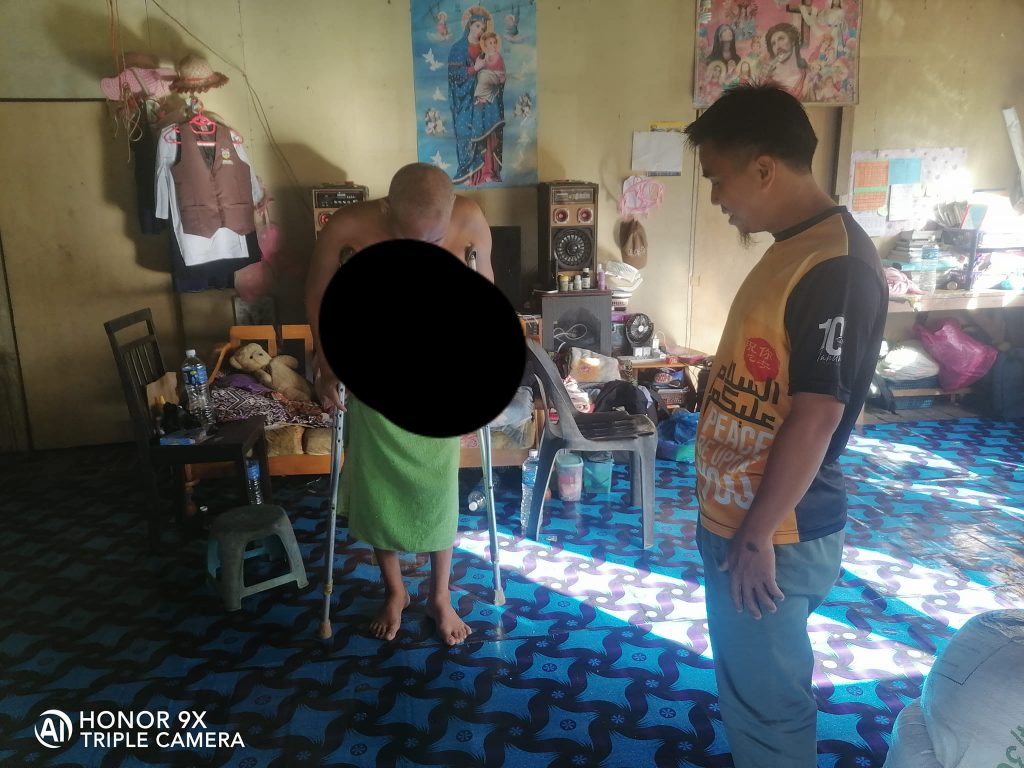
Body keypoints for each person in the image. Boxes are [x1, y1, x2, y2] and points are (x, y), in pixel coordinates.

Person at [683, 86, 887, 767]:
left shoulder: (836, 266)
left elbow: (818, 415)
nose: (717, 198)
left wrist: (756, 535)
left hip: (774, 532)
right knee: (751, 691)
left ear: (764, 168)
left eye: (718, 178)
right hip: (747, 520)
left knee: (769, 710)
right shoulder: (794, 248)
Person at [305, 163, 493, 645]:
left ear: (452, 208)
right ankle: (395, 591)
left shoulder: (470, 218)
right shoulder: (348, 225)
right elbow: (319, 294)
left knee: (438, 487)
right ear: (388, 210)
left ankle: (439, 596)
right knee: (377, 485)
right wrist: (326, 363)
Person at [447, 5, 505, 185]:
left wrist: (496, 79)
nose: (480, 31)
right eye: (478, 26)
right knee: (466, 133)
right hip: (464, 101)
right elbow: (454, 76)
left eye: (483, 28)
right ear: (469, 25)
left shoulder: (485, 50)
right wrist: (475, 69)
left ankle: (488, 171)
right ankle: (469, 174)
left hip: (483, 101)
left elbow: (497, 72)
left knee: (488, 131)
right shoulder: (458, 49)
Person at [764, 22, 810, 99]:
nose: (777, 46)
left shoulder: (807, 76)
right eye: (773, 44)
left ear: (792, 41)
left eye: (781, 39)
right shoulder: (768, 81)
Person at [470, 32, 506, 106]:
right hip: (491, 75)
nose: (493, 45)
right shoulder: (487, 54)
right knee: (480, 75)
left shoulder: (497, 55)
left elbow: (493, 64)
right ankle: (481, 98)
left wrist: (485, 63)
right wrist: (479, 61)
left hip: (497, 76)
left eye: (495, 42)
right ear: (486, 46)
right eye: (490, 43)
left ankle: (482, 97)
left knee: (483, 76)